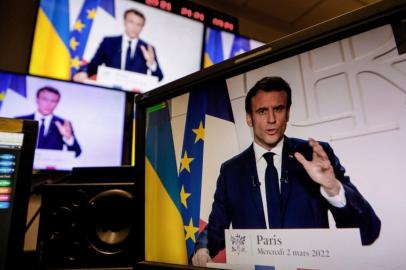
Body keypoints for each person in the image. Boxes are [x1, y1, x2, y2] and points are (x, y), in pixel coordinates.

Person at [192, 76, 381, 266]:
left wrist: (333, 188)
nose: (272, 119)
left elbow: (368, 232)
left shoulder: (315, 156)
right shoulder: (230, 171)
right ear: (249, 118)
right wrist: (202, 248)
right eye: (262, 111)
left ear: (288, 113)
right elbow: (216, 227)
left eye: (278, 109)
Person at [73, 8, 163, 82]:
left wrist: (151, 63)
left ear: (142, 27)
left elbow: (159, 77)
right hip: (111, 94)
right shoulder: (108, 42)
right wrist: (83, 72)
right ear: (125, 22)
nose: (134, 27)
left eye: (139, 24)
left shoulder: (148, 48)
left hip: (134, 98)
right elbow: (93, 66)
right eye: (131, 22)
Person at [16, 86, 81, 157]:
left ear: (57, 103)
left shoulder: (63, 124)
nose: (48, 104)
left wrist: (68, 138)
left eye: (53, 101)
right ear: (37, 99)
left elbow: (77, 153)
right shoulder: (20, 120)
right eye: (44, 99)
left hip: (49, 167)